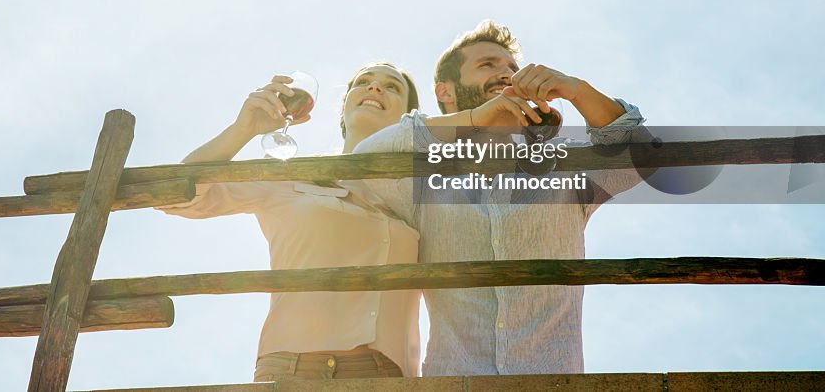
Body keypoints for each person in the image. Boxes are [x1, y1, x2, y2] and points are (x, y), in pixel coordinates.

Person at [352, 21, 644, 376]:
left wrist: (576, 90)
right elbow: (366, 161)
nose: (507, 75)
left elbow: (639, 160)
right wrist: (480, 117)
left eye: (512, 69)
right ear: (445, 92)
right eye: (488, 65)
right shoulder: (426, 180)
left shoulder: (563, 165)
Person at [159, 63, 423, 381]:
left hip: (389, 378)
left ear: (411, 118)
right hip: (291, 371)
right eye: (364, 82)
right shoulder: (288, 175)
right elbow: (172, 196)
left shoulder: (424, 192)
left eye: (392, 86)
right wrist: (244, 129)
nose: (375, 87)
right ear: (344, 108)